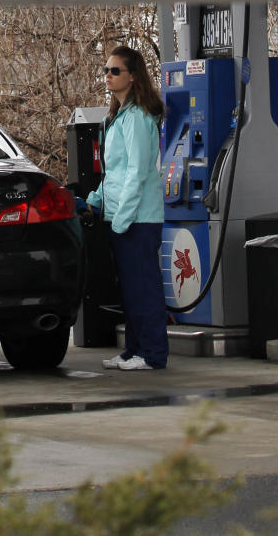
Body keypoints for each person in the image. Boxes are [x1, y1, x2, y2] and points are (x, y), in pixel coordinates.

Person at [85, 44, 168, 371]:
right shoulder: (116, 117)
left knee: (143, 287)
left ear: (132, 76)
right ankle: (134, 349)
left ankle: (152, 354)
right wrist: (94, 200)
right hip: (120, 216)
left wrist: (121, 219)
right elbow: (114, 172)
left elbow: (137, 172)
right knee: (130, 288)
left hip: (138, 219)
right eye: (106, 70)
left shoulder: (136, 119)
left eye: (114, 70)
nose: (107, 76)